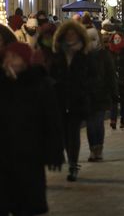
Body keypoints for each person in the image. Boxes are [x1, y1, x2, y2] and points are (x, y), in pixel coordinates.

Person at [0, 42, 64, 216]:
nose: (9, 61)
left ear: (24, 60)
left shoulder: (39, 84)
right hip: (4, 155)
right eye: (7, 57)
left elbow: (51, 120)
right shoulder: (3, 83)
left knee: (25, 205)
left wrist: (54, 151)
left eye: (14, 57)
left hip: (29, 154)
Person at [50, 20, 92, 182]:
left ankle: (73, 164)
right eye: (67, 34)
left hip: (77, 99)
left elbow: (91, 76)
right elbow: (52, 75)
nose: (70, 36)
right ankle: (70, 159)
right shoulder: (58, 55)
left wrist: (85, 90)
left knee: (73, 132)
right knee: (65, 134)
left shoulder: (84, 55)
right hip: (60, 99)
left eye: (73, 33)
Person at [85, 27, 117, 162]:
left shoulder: (104, 55)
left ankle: (99, 148)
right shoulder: (82, 56)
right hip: (87, 95)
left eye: (93, 39)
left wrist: (114, 93)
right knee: (90, 124)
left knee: (97, 123)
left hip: (101, 94)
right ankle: (93, 148)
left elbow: (111, 75)